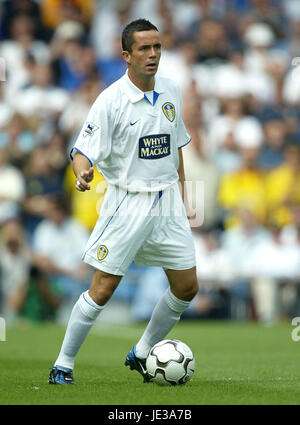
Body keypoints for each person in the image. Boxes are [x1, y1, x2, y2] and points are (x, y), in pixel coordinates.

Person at [49, 19, 198, 385]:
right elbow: (82, 150)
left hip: (167, 202)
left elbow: (175, 147)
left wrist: (184, 194)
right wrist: (81, 172)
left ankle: (143, 351)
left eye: (157, 47)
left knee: (187, 287)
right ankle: (63, 364)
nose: (153, 55)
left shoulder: (171, 90)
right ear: (126, 56)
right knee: (102, 288)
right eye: (145, 49)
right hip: (127, 201)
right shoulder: (110, 100)